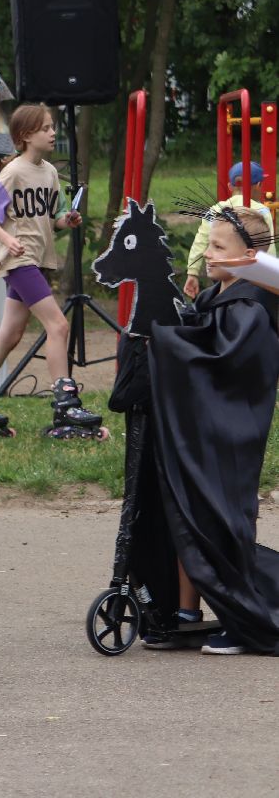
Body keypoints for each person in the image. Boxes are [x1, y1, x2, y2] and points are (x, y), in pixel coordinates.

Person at [136, 206, 279, 655]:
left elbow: (222, 362)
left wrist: (166, 344)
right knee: (186, 513)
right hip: (199, 429)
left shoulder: (252, 307)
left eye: (218, 247)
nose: (207, 254)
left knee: (219, 522)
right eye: (208, 244)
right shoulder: (217, 297)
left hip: (229, 435)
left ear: (250, 256)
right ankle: (186, 612)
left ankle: (243, 619)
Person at [0, 103, 104, 441]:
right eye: (46, 128)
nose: (53, 133)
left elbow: (53, 218)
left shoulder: (48, 172)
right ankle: (65, 404)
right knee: (58, 325)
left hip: (37, 259)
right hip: (19, 260)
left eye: (52, 127)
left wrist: (68, 220)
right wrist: (8, 239)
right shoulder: (13, 172)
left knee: (10, 334)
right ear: (24, 136)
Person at [184, 162, 276, 299]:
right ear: (258, 186)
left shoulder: (215, 209)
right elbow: (268, 247)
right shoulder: (261, 211)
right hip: (252, 276)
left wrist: (192, 272)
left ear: (230, 186)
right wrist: (272, 278)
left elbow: (201, 240)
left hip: (221, 269)